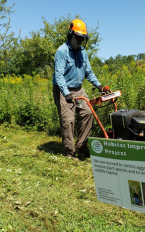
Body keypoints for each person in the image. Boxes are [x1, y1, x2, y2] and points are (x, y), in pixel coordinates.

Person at [52, 19, 105, 159]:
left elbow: (89, 72)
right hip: (64, 90)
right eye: (79, 37)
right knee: (68, 120)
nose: (81, 40)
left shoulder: (83, 52)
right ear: (71, 35)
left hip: (78, 90)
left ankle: (81, 146)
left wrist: (99, 86)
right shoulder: (62, 52)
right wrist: (66, 93)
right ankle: (70, 152)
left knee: (88, 112)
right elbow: (59, 75)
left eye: (83, 38)